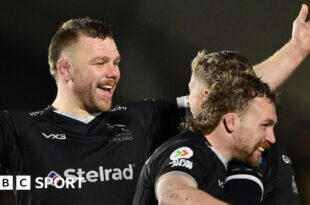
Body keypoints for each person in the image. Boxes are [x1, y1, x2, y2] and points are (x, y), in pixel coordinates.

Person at [0, 3, 309, 205]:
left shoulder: (139, 120)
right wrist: (20, 181)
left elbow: (231, 96)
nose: (114, 72)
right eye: (100, 62)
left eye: (116, 62)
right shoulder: (20, 129)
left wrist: (296, 51)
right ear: (66, 69)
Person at [132, 61, 279, 204]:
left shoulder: (220, 160)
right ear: (231, 122)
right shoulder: (191, 150)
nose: (272, 138)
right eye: (264, 126)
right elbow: (173, 195)